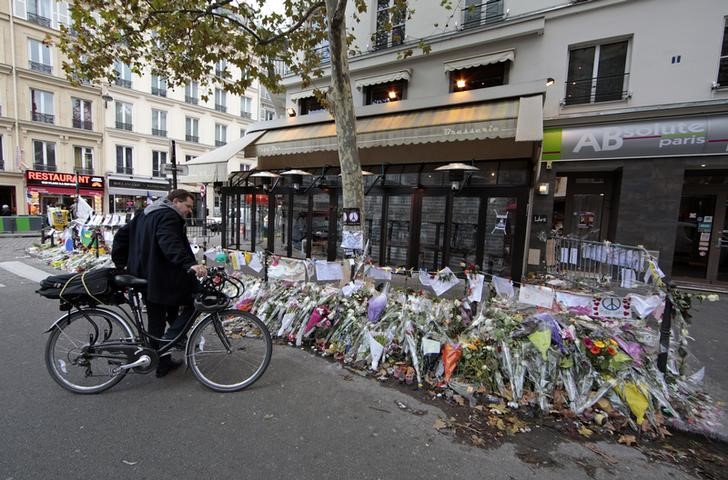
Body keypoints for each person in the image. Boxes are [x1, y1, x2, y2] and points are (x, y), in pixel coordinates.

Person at [112, 189, 207, 377]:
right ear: (174, 201)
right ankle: (169, 341)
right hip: (163, 276)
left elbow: (121, 237)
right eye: (187, 206)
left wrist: (122, 264)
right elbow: (169, 242)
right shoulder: (168, 216)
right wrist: (190, 264)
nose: (189, 211)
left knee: (157, 318)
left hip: (144, 276)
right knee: (196, 301)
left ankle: (161, 361)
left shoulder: (145, 213)